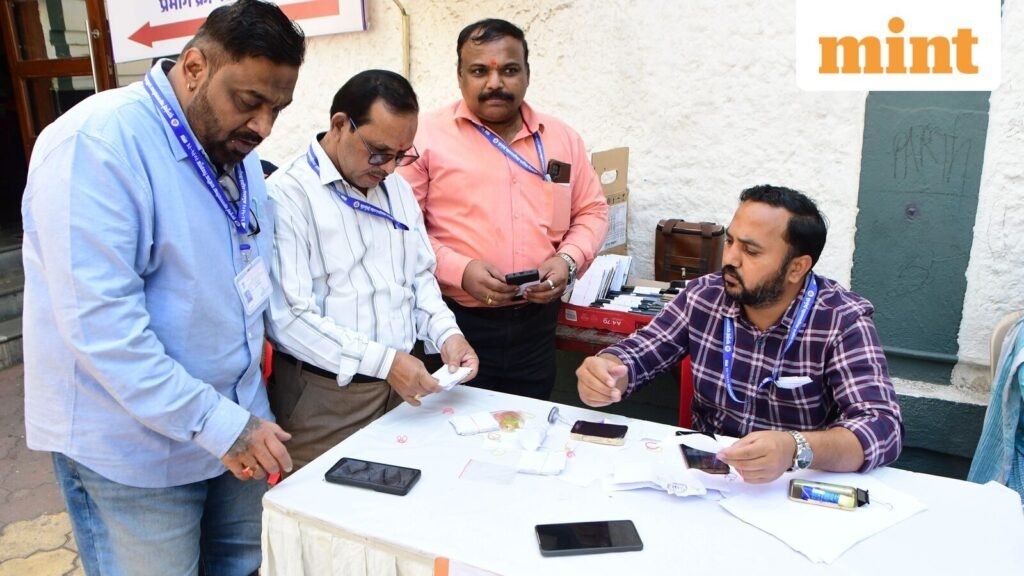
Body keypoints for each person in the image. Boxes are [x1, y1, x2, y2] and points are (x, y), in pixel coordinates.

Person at [20, 1, 304, 574]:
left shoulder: (237, 152)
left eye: (277, 108)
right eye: (249, 102)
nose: (264, 127)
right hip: (133, 456)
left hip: (236, 430)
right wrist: (221, 424)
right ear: (195, 67)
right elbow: (102, 330)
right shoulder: (97, 144)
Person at [577, 185, 904, 484]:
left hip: (792, 483)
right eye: (731, 241)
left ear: (796, 268)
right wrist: (606, 372)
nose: (730, 259)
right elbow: (639, 353)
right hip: (707, 475)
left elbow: (882, 428)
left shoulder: (841, 320)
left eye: (751, 251)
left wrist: (794, 448)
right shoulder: (704, 296)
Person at [266, 70, 479, 470]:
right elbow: (289, 318)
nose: (391, 168)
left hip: (404, 387)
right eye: (379, 152)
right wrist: (385, 363)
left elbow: (418, 277)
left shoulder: (396, 189)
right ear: (340, 125)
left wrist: (446, 334)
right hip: (327, 397)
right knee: (320, 499)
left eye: (402, 155)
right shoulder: (287, 194)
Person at [400, 18, 608, 400]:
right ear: (460, 76)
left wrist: (568, 260)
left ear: (527, 74)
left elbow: (592, 211)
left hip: (536, 327)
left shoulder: (562, 139)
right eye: (479, 71)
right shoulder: (423, 139)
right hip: (454, 325)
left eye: (509, 70)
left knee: (526, 426)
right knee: (451, 426)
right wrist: (459, 271)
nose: (494, 83)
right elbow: (401, 231)